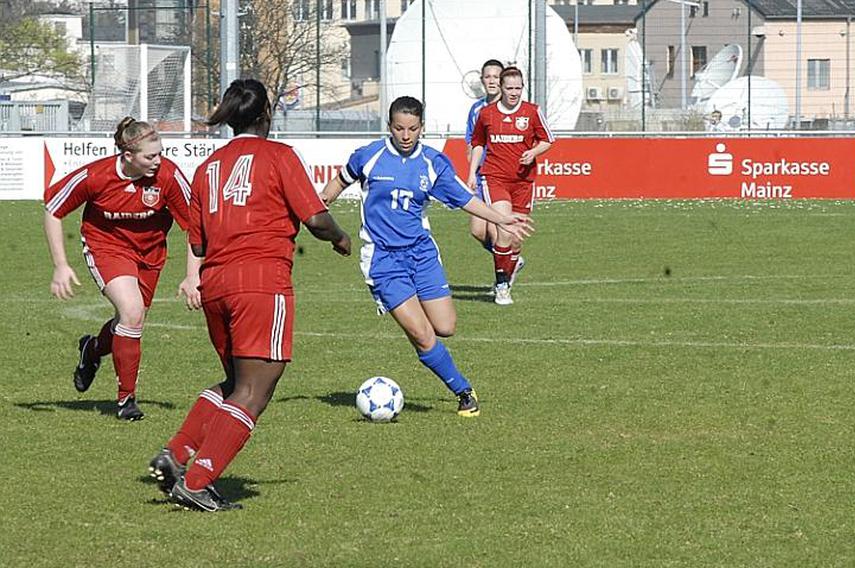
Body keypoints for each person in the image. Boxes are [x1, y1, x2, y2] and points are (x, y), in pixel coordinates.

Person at [149, 79, 351, 512]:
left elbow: (198, 243)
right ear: (265, 115)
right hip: (261, 282)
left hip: (216, 285)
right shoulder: (279, 156)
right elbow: (315, 217)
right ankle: (197, 481)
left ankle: (177, 452)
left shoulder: (209, 167)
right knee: (255, 391)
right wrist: (340, 237)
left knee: (236, 384)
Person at [320, 96, 533, 418]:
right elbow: (338, 182)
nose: (406, 135)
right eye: (399, 128)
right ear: (389, 127)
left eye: (413, 129)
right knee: (422, 334)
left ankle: (427, 338)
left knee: (445, 327)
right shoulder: (370, 156)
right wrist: (318, 206)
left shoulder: (433, 163)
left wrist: (499, 218)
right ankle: (463, 391)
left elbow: (463, 198)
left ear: (422, 128)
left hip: (421, 255)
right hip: (383, 260)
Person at [43, 117, 200, 421]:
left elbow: (195, 227)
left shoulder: (168, 175)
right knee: (132, 312)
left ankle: (92, 349)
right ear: (128, 156)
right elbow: (53, 210)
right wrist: (60, 265)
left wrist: (193, 275)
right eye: (150, 156)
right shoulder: (96, 176)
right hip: (107, 249)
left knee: (128, 322)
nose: (158, 161)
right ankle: (126, 401)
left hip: (151, 256)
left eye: (160, 154)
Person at [467, 66, 554, 306]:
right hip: (494, 179)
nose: (514, 92)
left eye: (518, 88)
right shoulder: (487, 114)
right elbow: (477, 143)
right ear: (501, 88)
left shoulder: (532, 112)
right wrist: (472, 172)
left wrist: (533, 152)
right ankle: (502, 285)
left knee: (514, 239)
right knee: (503, 230)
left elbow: (548, 139)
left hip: (523, 182)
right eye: (510, 88)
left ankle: (512, 265)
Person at [464, 59, 504, 258]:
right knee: (477, 230)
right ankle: (508, 259)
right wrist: (471, 173)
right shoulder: (476, 110)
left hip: (500, 177)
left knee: (494, 230)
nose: (492, 81)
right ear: (482, 80)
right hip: (480, 177)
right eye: (488, 77)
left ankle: (502, 279)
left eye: (496, 77)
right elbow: (471, 142)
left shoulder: (510, 108)